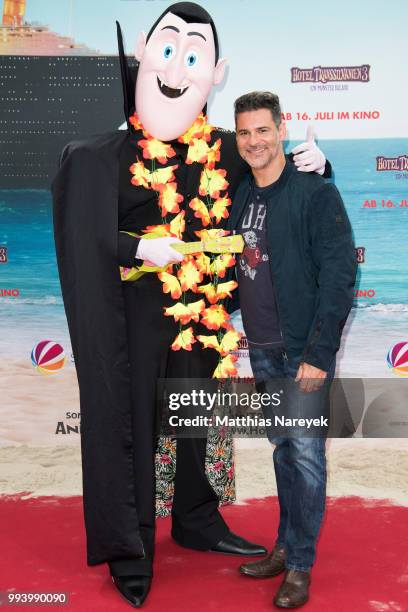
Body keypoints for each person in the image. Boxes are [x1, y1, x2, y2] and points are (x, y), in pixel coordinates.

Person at [52, 4, 330, 608]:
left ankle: (197, 519)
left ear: (215, 72)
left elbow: (272, 175)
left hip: (204, 318)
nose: (178, 66)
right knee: (136, 432)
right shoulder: (106, 156)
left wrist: (318, 168)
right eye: (168, 48)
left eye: (193, 54)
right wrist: (136, 246)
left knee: (196, 423)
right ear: (145, 57)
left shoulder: (226, 150)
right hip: (132, 319)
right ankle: (133, 550)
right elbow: (82, 235)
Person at [227, 91, 356, 608]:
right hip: (260, 351)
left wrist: (319, 356)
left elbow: (340, 277)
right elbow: (244, 269)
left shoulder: (315, 191)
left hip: (301, 351)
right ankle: (284, 545)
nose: (254, 141)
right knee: (283, 450)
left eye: (263, 130)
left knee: (306, 459)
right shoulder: (239, 195)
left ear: (281, 130)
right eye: (244, 132)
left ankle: (300, 566)